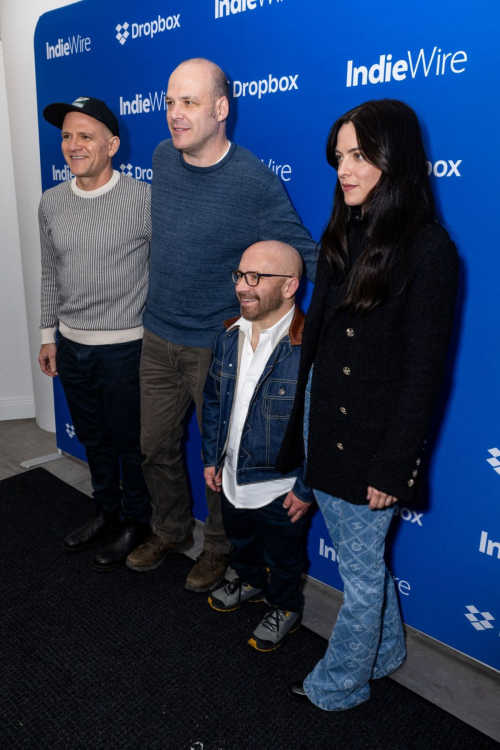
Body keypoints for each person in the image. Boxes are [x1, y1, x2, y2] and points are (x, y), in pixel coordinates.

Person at [277, 100, 459, 709]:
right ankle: (384, 654)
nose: (344, 170)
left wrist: (394, 467)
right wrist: (301, 448)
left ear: (395, 158)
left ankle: (338, 685)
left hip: (371, 446)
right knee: (367, 568)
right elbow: (320, 350)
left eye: (359, 155)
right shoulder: (343, 231)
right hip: (321, 426)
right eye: (339, 157)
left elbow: (423, 375)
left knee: (358, 582)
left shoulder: (429, 251)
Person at [126, 58, 317, 593]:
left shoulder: (253, 180)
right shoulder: (164, 158)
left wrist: (356, 314)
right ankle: (168, 530)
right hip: (157, 335)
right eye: (169, 102)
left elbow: (302, 254)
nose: (174, 115)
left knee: (219, 458)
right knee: (155, 447)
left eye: (187, 102)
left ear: (221, 108)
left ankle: (217, 548)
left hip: (216, 346)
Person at [38, 96, 152, 571]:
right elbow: (48, 272)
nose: (73, 145)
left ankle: (137, 523)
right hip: (71, 345)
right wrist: (48, 335)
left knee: (131, 444)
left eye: (85, 135)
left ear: (112, 144)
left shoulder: (143, 199)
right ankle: (106, 512)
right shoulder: (51, 201)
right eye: (67, 135)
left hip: (126, 349)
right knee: (94, 440)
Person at [202, 241, 314, 650]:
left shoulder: (308, 350)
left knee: (285, 559)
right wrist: (211, 459)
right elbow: (214, 402)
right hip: (231, 477)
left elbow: (319, 428)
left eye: (256, 277)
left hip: (281, 488)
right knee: (241, 540)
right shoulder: (228, 335)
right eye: (240, 275)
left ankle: (286, 607)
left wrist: (305, 485)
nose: (242, 287)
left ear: (289, 287)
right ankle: (247, 580)